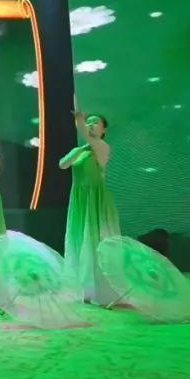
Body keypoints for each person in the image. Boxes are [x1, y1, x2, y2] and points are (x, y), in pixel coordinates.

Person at [60, 110, 120, 303]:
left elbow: (88, 136)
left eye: (95, 122)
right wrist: (79, 150)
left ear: (104, 130)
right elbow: (63, 164)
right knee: (79, 240)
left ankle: (100, 289)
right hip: (79, 201)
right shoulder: (80, 150)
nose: (91, 124)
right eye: (89, 121)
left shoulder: (102, 147)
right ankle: (82, 288)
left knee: (95, 242)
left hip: (96, 200)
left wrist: (80, 120)